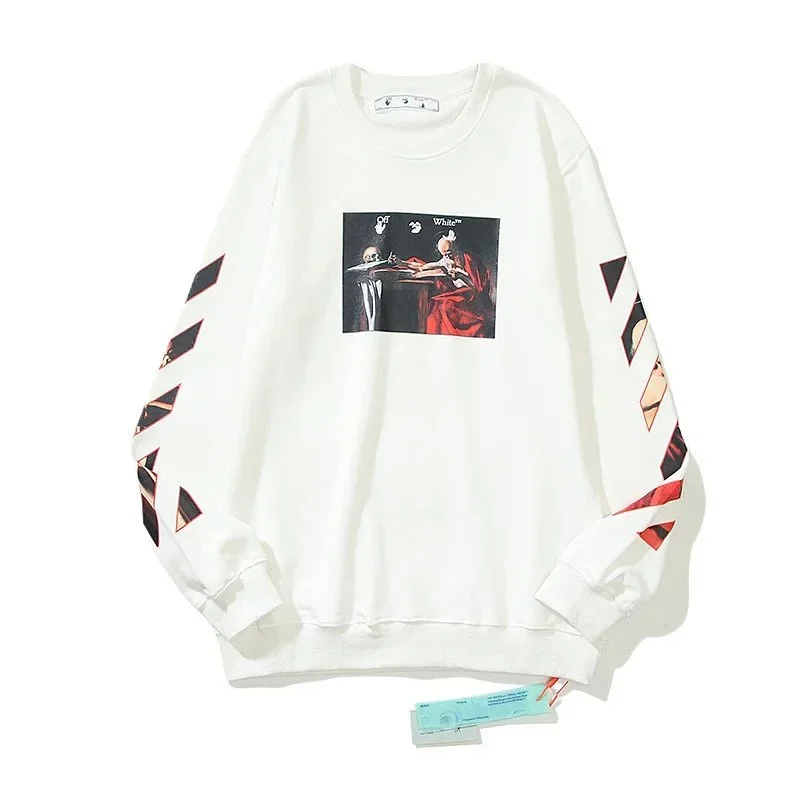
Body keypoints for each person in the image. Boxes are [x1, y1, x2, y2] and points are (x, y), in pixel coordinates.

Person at [407, 230, 495, 337]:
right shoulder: (446, 260)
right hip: (456, 293)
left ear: (455, 249)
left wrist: (460, 275)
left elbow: (475, 285)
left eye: (449, 254)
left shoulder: (467, 259)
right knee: (434, 304)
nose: (447, 257)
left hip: (470, 295)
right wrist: (402, 263)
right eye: (444, 255)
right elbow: (424, 267)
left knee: (446, 305)